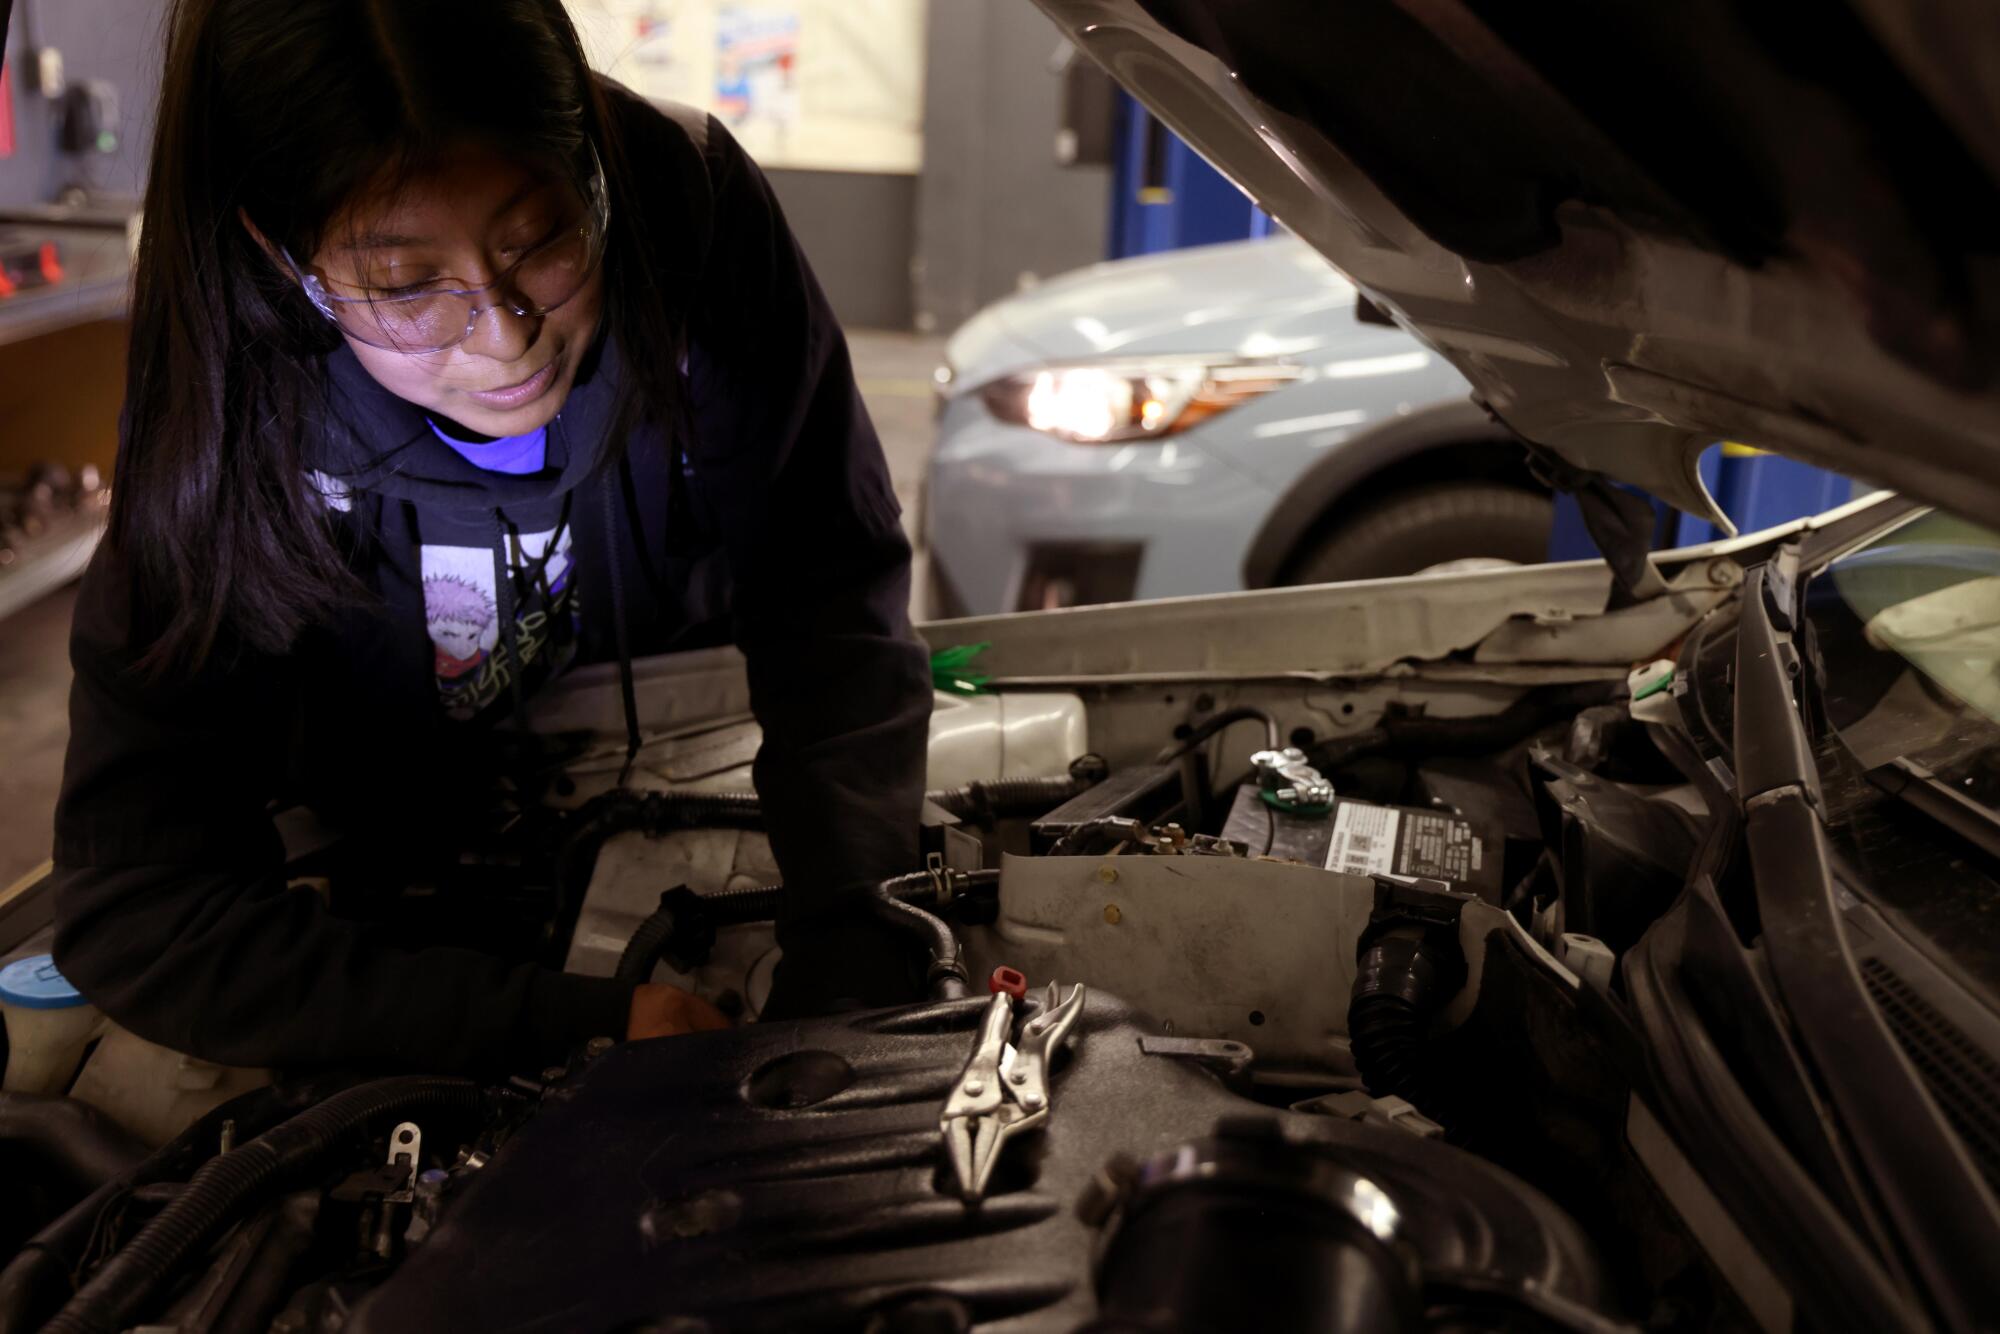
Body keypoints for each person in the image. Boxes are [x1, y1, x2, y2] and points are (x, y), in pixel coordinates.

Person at [47, 0, 934, 1073]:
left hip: (692, 767)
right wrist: (567, 1028)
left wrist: (848, 960)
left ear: (592, 162)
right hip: (375, 878)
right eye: (409, 286)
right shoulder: (223, 384)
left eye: (539, 238)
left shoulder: (685, 205)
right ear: (283, 261)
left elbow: (830, 601)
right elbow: (141, 902)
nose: (507, 334)